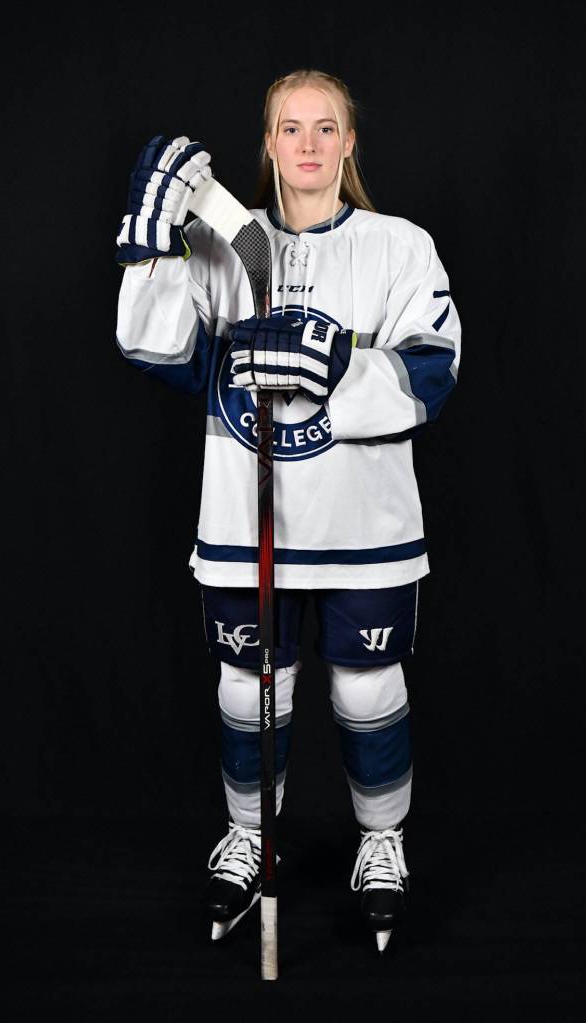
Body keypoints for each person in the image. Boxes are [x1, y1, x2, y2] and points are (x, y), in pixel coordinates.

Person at [114, 69, 461, 953]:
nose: (308, 143)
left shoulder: (400, 245)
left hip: (366, 532)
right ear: (267, 145)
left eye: (326, 127)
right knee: (248, 691)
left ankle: (381, 843)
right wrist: (154, 245)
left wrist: (339, 369)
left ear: (349, 144)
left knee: (369, 689)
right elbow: (156, 346)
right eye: (289, 127)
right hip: (243, 524)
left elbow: (434, 369)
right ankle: (251, 834)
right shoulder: (226, 244)